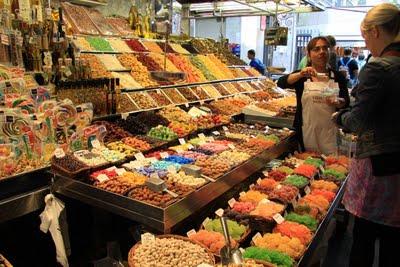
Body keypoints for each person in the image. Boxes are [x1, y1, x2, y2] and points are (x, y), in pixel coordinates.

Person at [333, 3, 400, 266]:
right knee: (394, 243)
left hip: (379, 165)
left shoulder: (379, 67)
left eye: (364, 37)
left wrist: (340, 116)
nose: (366, 44)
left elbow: (358, 122)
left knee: (363, 237)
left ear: (373, 31)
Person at [277, 36, 350, 154]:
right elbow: (281, 83)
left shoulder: (338, 77)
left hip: (330, 132)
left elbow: (345, 101)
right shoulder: (302, 76)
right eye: (317, 49)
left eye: (325, 48)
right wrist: (300, 74)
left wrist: (339, 101)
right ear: (309, 54)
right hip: (306, 130)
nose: (322, 52)